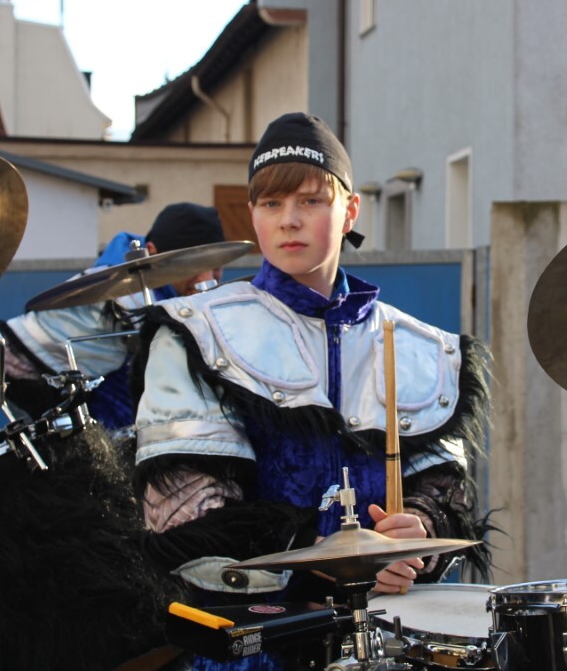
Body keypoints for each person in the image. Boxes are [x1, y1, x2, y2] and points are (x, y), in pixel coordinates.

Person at [131, 113, 493, 670]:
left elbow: (446, 489)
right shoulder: (197, 334)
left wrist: (415, 532)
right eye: (270, 203)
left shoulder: (418, 345)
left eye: (310, 201)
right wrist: (322, 557)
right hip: (254, 649)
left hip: (392, 640)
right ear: (252, 213)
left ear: (350, 211)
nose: (289, 220)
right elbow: (184, 516)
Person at [0, 202, 228, 430]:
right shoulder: (132, 292)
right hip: (27, 364)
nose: (208, 277)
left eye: (216, 267)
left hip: (45, 362)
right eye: (193, 266)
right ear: (152, 252)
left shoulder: (134, 274)